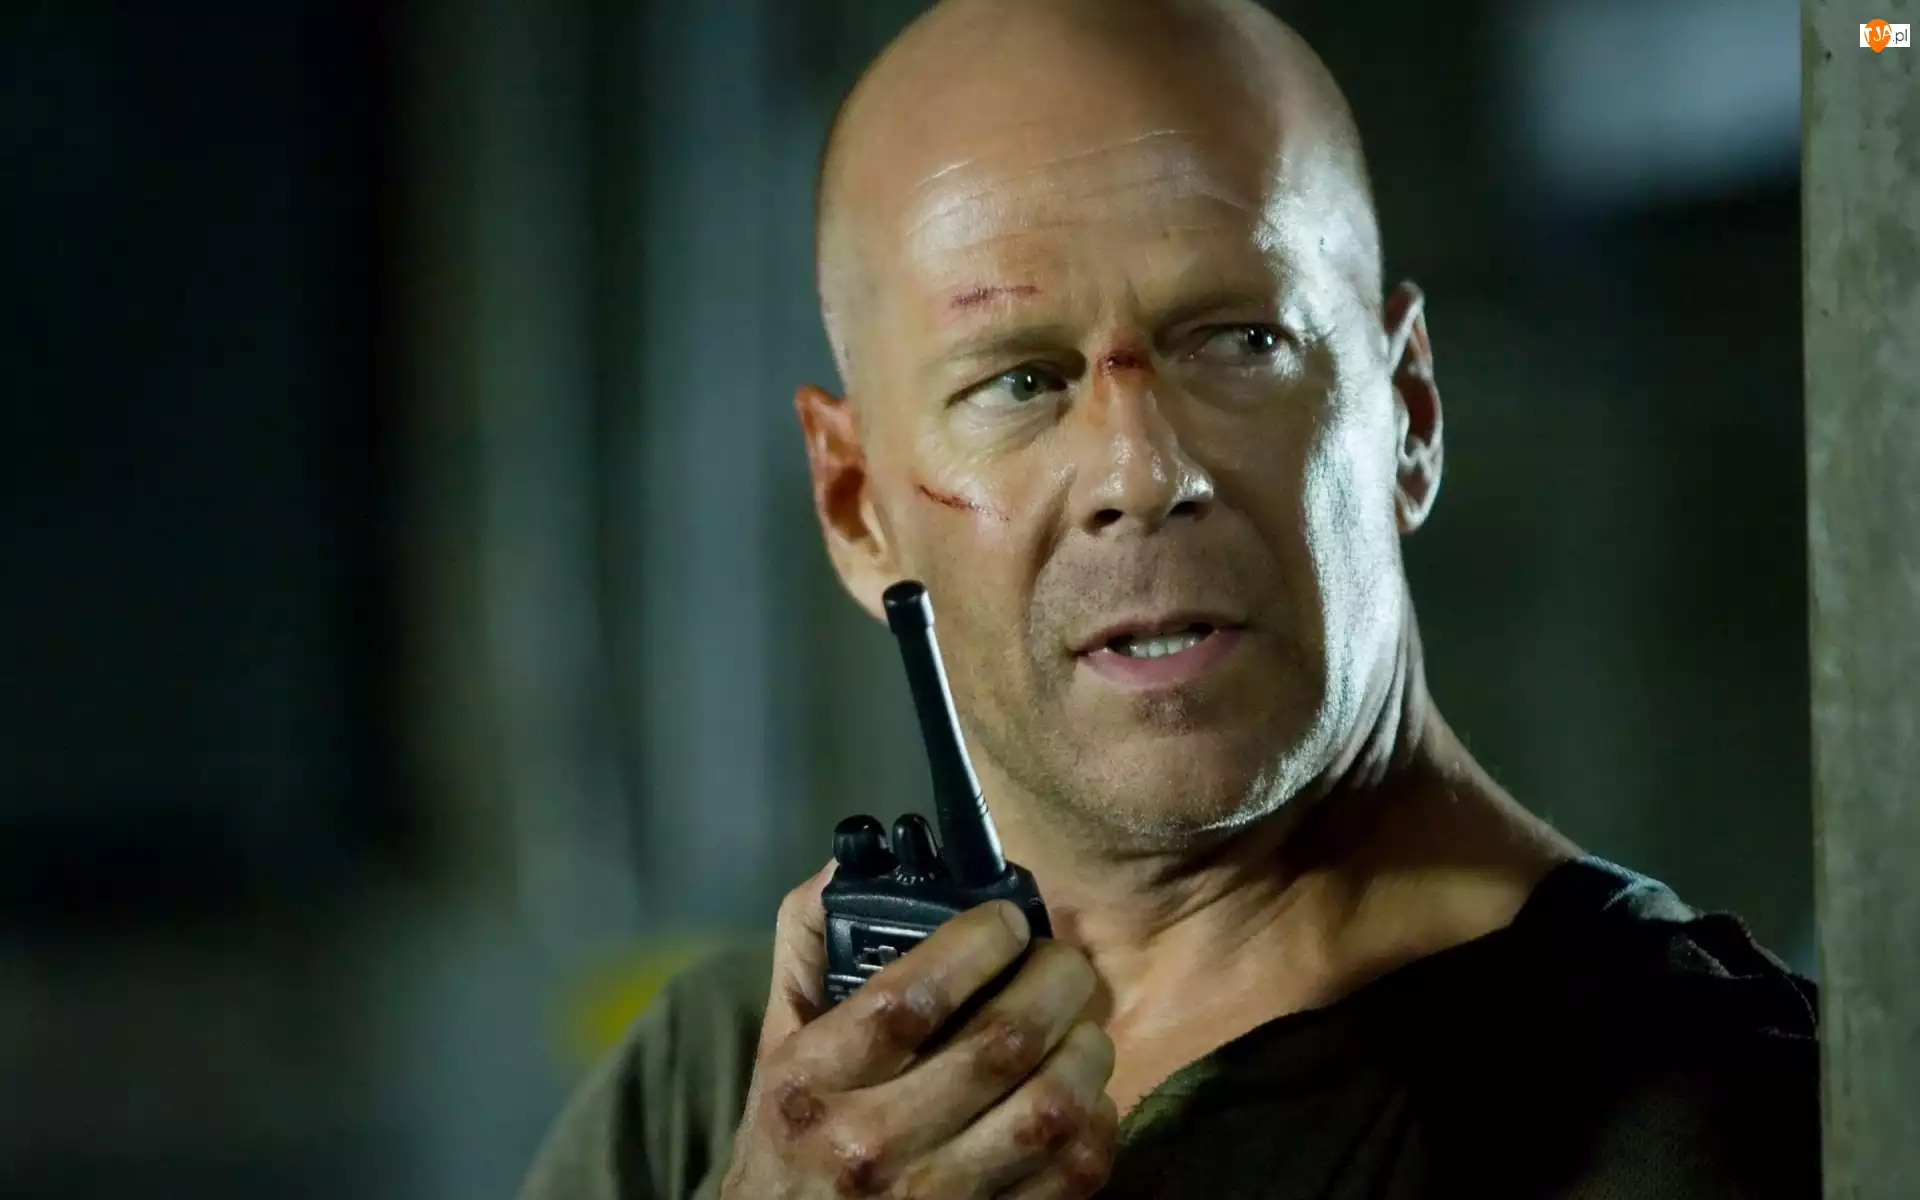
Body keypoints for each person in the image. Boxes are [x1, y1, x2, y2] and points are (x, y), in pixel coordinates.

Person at [519, 0, 1819, 1196]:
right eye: (1020, 382)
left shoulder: (1699, 1113)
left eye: (1241, 342)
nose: (1142, 474)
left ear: (1409, 415)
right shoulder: (738, 1092)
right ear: (857, 506)